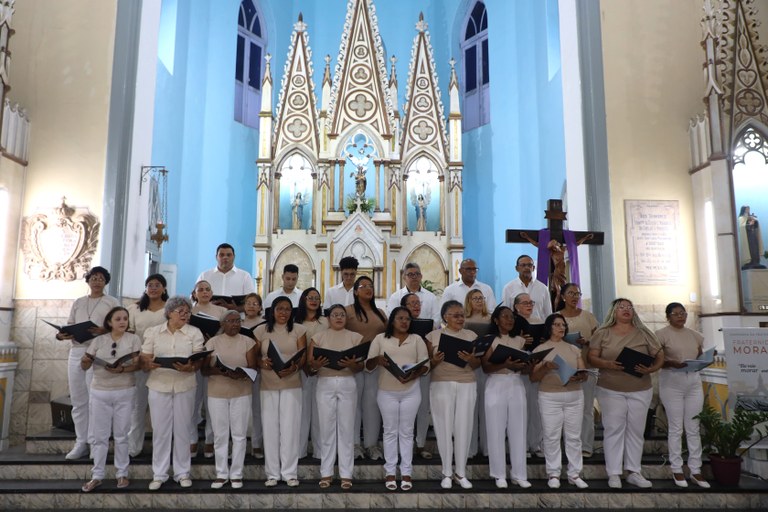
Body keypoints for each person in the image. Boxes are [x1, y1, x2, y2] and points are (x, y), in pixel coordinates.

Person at [588, 298, 664, 489]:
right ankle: (614, 473)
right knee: (614, 429)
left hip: (640, 388)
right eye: (621, 307)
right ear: (613, 311)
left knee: (636, 431)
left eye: (629, 307)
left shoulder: (644, 332)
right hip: (610, 388)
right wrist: (607, 364)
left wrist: (651, 369)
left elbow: (659, 355)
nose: (626, 310)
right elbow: (592, 357)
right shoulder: (603, 332)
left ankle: (634, 471)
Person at [140, 296, 205, 491]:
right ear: (169, 313)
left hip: (185, 385)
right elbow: (144, 358)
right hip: (159, 385)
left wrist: (191, 367)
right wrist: (148, 364)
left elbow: (198, 358)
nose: (185, 315)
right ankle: (159, 474)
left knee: (183, 429)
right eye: (180, 311)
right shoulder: (153, 332)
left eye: (187, 312)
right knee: (161, 431)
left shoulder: (194, 332)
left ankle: (182, 473)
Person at [57, 266, 120, 460]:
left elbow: (120, 327)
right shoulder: (79, 302)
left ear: (106, 281)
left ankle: (95, 442)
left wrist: (104, 330)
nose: (97, 281)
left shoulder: (111, 302)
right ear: (88, 280)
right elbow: (69, 325)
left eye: (101, 278)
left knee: (96, 400)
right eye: (93, 278)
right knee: (78, 400)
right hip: (77, 351)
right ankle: (81, 442)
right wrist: (62, 335)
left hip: (99, 352)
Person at [79, 306, 142, 492]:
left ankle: (122, 473)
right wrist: (85, 361)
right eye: (118, 319)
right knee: (100, 436)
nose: (122, 322)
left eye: (125, 319)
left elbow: (138, 365)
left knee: (122, 435)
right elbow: (84, 365)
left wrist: (122, 369)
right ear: (109, 322)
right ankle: (97, 475)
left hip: (125, 390)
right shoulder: (99, 340)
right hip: (100, 391)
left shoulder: (134, 339)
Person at [367, 307, 430, 491]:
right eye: (400, 318)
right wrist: (378, 360)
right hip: (386, 391)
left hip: (411, 390)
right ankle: (390, 472)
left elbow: (425, 365)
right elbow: (368, 365)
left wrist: (413, 374)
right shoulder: (380, 339)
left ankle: (407, 472)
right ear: (392, 321)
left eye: (407, 319)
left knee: (407, 432)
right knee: (390, 431)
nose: (404, 322)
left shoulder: (416, 339)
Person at [308, 304, 364, 489]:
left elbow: (360, 366)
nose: (339, 317)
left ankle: (346, 474)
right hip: (325, 383)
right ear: (328, 318)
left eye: (342, 315)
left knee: (347, 429)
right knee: (326, 429)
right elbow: (310, 366)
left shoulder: (355, 337)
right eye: (335, 315)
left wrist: (351, 364)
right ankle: (326, 472)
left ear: (346, 318)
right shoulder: (318, 337)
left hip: (348, 382)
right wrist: (316, 365)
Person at [530, 314, 589, 489]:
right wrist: (544, 366)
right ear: (549, 327)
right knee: (551, 435)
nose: (561, 328)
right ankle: (553, 473)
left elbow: (584, 374)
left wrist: (579, 376)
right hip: (550, 396)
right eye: (556, 325)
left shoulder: (573, 348)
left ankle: (574, 473)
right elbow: (533, 377)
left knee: (574, 436)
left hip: (574, 396)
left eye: (563, 325)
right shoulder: (541, 349)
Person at [425, 300, 479, 489]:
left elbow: (477, 364)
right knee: (443, 428)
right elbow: (427, 365)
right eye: (455, 315)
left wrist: (470, 359)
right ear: (445, 317)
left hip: (467, 382)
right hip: (441, 383)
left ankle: (460, 472)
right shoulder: (433, 336)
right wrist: (435, 360)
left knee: (464, 427)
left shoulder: (471, 335)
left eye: (462, 315)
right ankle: (447, 472)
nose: (460, 318)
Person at [201, 310, 258, 489]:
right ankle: (221, 473)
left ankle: (236, 474)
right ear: (222, 324)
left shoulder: (248, 342)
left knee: (239, 435)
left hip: (241, 392)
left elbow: (253, 367)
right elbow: (204, 369)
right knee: (220, 434)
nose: (235, 324)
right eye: (231, 321)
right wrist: (219, 370)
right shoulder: (212, 342)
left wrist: (240, 373)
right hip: (217, 392)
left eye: (238, 321)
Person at [656, 302, 711, 489]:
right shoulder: (661, 335)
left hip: (693, 381)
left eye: (683, 313)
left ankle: (695, 469)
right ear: (668, 317)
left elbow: (700, 357)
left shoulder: (695, 335)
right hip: (672, 382)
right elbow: (657, 360)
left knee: (693, 427)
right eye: (676, 313)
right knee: (676, 427)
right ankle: (677, 468)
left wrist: (707, 359)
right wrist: (671, 363)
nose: (680, 316)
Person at [254, 295, 307, 487]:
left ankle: (289, 473)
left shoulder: (299, 330)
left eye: (287, 309)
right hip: (268, 383)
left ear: (292, 312)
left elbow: (303, 356)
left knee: (290, 428)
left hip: (291, 382)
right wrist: (262, 363)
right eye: (280, 309)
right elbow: (254, 357)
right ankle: (272, 474)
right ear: (273, 311)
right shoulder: (261, 330)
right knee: (270, 428)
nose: (283, 312)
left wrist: (294, 367)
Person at [481, 305, 530, 489]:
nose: (510, 320)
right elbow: (486, 367)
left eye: (512, 317)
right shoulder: (489, 340)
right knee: (496, 429)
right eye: (505, 316)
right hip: (496, 383)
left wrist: (527, 364)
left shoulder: (520, 340)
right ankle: (499, 474)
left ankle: (519, 474)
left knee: (518, 429)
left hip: (516, 383)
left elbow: (525, 369)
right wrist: (505, 364)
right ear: (496, 320)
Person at [127, 274, 169, 457]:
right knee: (137, 406)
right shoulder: (134, 309)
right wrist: (138, 358)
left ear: (164, 288)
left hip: (163, 364)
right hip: (141, 362)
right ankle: (133, 447)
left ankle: (162, 450)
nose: (153, 288)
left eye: (157, 285)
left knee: (162, 410)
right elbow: (129, 336)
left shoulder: (170, 308)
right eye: (150, 285)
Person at [345, 276, 387, 460]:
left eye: (370, 285)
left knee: (372, 405)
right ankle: (354, 444)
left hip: (374, 364)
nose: (368, 288)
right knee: (353, 405)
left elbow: (388, 336)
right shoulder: (347, 311)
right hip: (353, 364)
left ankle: (371, 444)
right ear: (355, 291)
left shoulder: (380, 313)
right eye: (363, 286)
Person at [556, 282, 599, 457]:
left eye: (577, 294)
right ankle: (568, 446)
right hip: (564, 367)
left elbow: (599, 340)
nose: (575, 297)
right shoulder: (556, 317)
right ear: (563, 296)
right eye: (571, 293)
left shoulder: (588, 316)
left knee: (587, 408)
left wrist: (587, 342)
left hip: (587, 365)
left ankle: (586, 445)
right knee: (565, 409)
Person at [190, 280, 227, 458]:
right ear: (194, 293)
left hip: (213, 357)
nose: (204, 292)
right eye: (201, 290)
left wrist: (212, 338)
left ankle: (210, 441)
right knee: (193, 402)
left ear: (212, 293)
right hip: (195, 358)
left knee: (212, 402)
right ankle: (192, 440)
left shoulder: (221, 311)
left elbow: (227, 331)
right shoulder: (189, 311)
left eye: (207, 289)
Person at [295, 288, 328, 459]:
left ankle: (320, 452)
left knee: (320, 412)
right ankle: (299, 451)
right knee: (301, 412)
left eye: (317, 298)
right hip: (300, 371)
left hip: (322, 370)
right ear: (303, 299)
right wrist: (304, 365)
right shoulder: (296, 321)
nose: (314, 300)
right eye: (310, 297)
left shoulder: (326, 321)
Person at [401, 293, 433, 459]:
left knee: (423, 407)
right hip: (402, 372)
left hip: (422, 369)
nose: (416, 306)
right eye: (412, 303)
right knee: (403, 409)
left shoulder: (427, 326)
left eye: (418, 303)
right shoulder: (396, 326)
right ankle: (403, 444)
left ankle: (420, 444)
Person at [513, 292, 544, 458]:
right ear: (516, 306)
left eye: (531, 302)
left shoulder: (538, 321)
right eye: (525, 303)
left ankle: (535, 443)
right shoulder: (512, 322)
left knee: (536, 407)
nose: (529, 305)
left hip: (536, 365)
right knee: (521, 409)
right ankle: (522, 445)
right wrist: (520, 339)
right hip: (519, 368)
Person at [463, 288, 491, 458]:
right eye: (475, 298)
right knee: (471, 408)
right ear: (469, 301)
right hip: (470, 365)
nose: (479, 301)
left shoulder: (491, 319)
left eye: (481, 298)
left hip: (487, 364)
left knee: (486, 408)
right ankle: (471, 448)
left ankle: (487, 447)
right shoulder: (464, 320)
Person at [196, 243, 255, 311]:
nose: (225, 257)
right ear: (216, 257)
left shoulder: (245, 276)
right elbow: (194, 299)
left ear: (234, 257)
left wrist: (236, 308)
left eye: (228, 255)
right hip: (209, 315)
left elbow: (251, 302)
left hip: (236, 316)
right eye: (221, 255)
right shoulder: (204, 276)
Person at [242, 292, 265, 458]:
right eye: (248, 303)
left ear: (260, 307)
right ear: (243, 306)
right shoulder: (236, 322)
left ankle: (256, 444)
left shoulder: (265, 324)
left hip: (257, 369)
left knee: (257, 408)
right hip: (239, 369)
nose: (251, 306)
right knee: (240, 410)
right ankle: (239, 445)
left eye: (255, 303)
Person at [501, 255, 553, 321]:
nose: (527, 268)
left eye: (529, 265)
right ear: (517, 268)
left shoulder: (543, 288)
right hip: (517, 326)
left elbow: (548, 313)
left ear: (533, 268)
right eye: (523, 265)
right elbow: (506, 312)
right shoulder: (508, 288)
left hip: (538, 325)